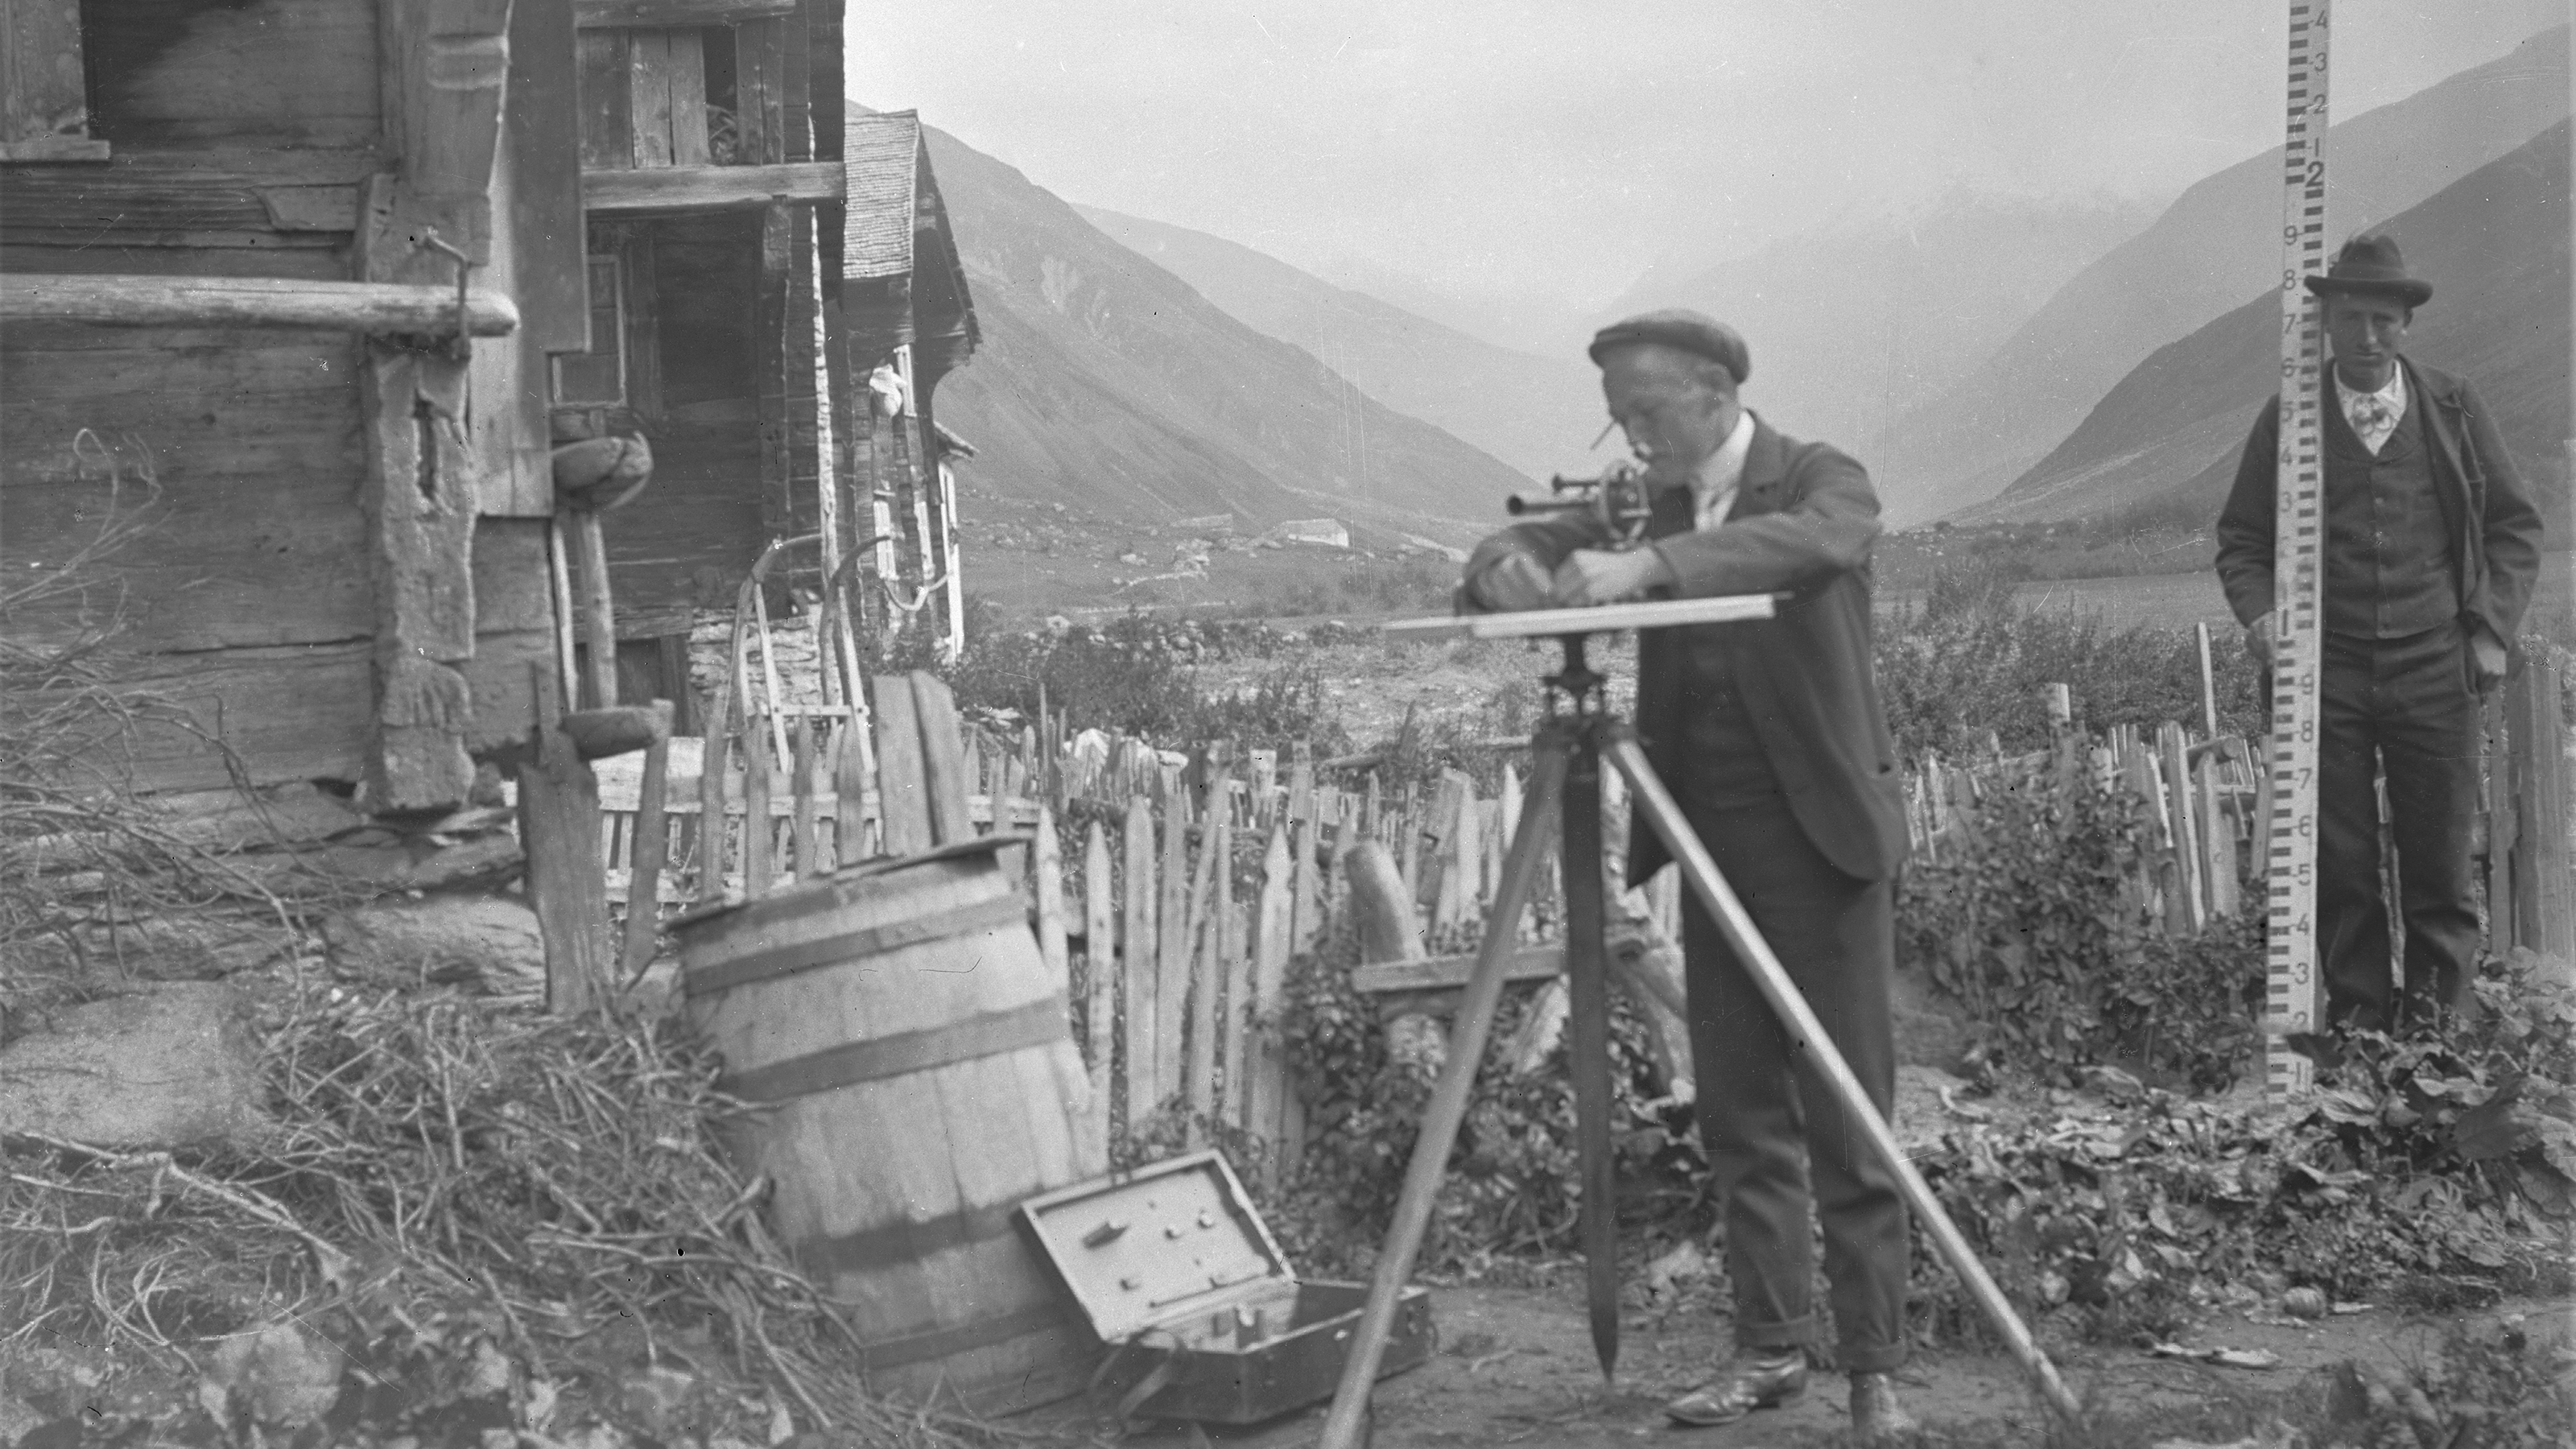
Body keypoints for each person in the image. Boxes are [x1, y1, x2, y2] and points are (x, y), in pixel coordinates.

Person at [1459, 309, 1915, 1440]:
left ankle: (1874, 1370)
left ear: (1714, 393)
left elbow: (1816, 547)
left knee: (1847, 1111)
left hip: (1822, 844)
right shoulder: (1639, 498)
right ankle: (1769, 1353)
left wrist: (1655, 563)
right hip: (1707, 838)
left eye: (1649, 414)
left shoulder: (1818, 476)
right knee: (1741, 1110)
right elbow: (1502, 552)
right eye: (1618, 419)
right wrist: (1519, 574)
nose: (1633, 438)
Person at [2215, 234, 2543, 1036]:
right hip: (2319, 675)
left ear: (2406, 325)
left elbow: (2513, 528)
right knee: (2339, 864)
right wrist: (2260, 619)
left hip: (2434, 664)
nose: (2366, 338)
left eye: (2383, 321)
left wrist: (2488, 629)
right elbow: (2241, 542)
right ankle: (2357, 1036)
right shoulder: (2286, 420)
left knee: (2437, 865)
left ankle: (2437, 1039)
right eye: (2351, 318)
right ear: (2324, 322)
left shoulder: (2453, 408)